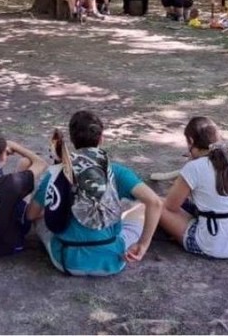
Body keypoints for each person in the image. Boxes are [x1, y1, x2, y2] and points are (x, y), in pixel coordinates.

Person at [27, 111, 162, 276]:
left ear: (72, 139)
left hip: (67, 261)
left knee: (41, 216)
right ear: (101, 138)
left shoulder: (57, 172)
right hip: (113, 260)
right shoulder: (117, 171)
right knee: (140, 207)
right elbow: (155, 203)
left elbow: (31, 214)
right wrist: (143, 245)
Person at [159, 117, 228, 259]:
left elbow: (170, 206)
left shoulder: (193, 167)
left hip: (213, 243)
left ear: (191, 141)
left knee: (156, 204)